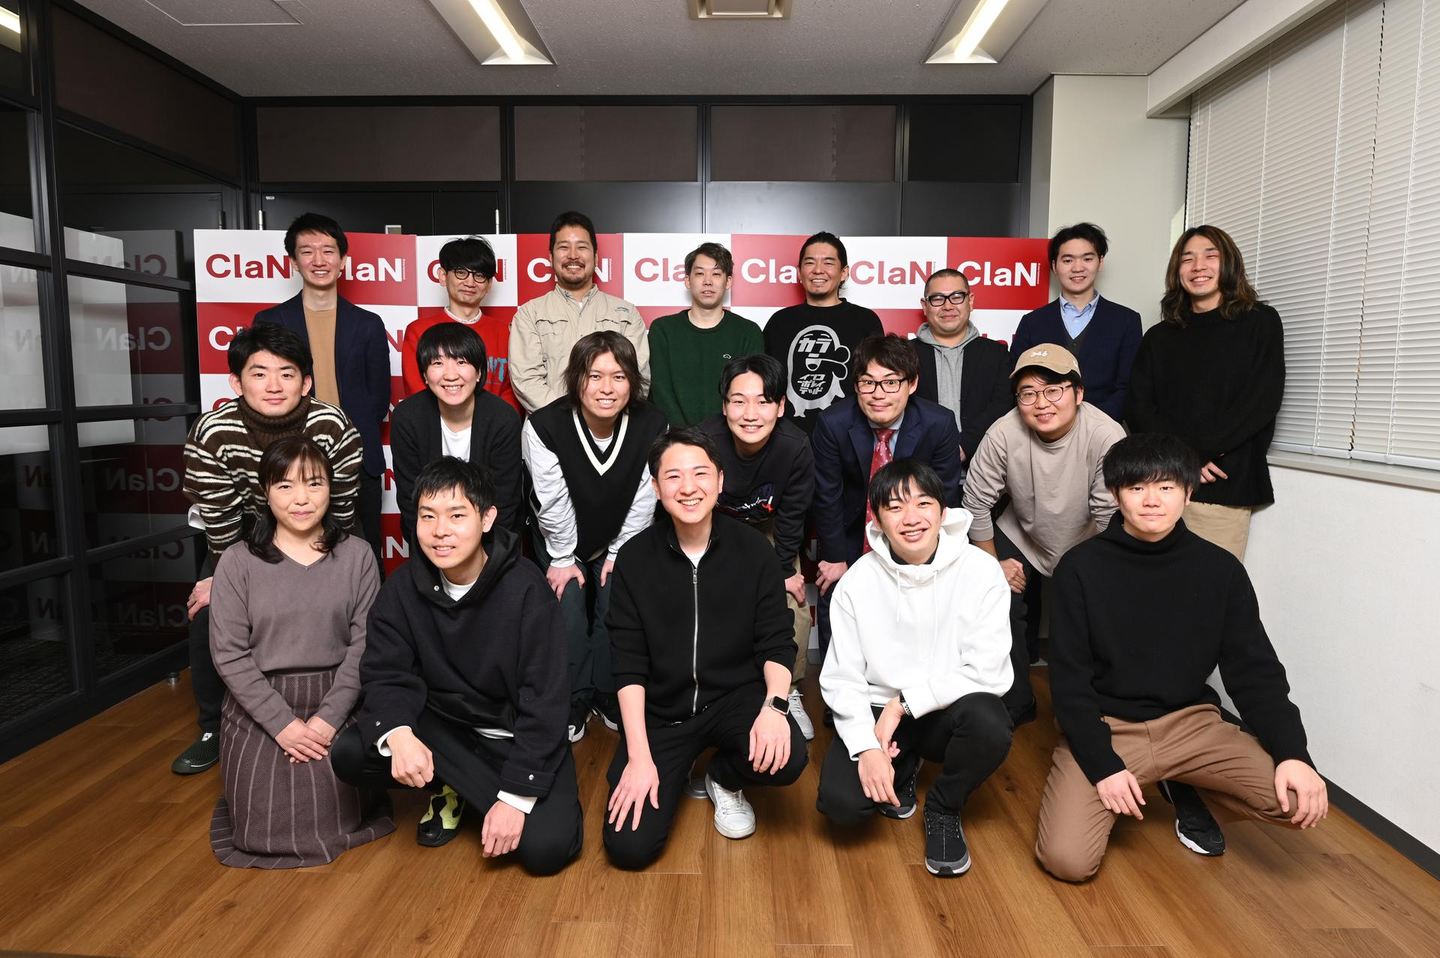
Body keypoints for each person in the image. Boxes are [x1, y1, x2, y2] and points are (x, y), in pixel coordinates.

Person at [1036, 433, 1326, 882]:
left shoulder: (1221, 570)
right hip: (1110, 726)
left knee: (1296, 800)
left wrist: (1295, 754)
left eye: (1166, 487)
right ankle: (1156, 779)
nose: (1152, 500)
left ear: (1188, 493)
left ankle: (1187, 781)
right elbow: (1069, 682)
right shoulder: (1080, 568)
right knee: (1067, 861)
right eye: (1137, 487)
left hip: (1191, 724)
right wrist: (1103, 766)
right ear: (1115, 494)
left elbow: (1255, 673)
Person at [332, 457, 582, 875]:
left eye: (456, 515)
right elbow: (386, 672)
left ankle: (470, 790)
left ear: (487, 519)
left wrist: (514, 799)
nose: (440, 530)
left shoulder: (526, 589)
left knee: (547, 849)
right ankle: (451, 787)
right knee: (352, 752)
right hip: (443, 730)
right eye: (427, 516)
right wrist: (400, 733)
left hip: (511, 737)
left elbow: (546, 700)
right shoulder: (400, 590)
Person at [603, 427, 807, 868]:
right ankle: (673, 768)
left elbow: (776, 640)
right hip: (663, 712)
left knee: (789, 754)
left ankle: (723, 777)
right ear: (656, 488)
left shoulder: (754, 550)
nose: (688, 487)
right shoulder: (634, 559)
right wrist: (639, 757)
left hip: (734, 699)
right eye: (673, 476)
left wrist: (774, 706)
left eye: (700, 473)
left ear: (720, 480)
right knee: (629, 847)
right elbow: (628, 664)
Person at [176, 323, 364, 775]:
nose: (274, 385)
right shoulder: (213, 431)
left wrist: (317, 564)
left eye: (287, 373)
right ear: (236, 382)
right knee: (209, 612)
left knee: (350, 609)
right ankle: (212, 727)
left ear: (306, 382)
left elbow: (338, 505)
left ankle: (349, 707)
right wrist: (227, 579)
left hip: (321, 526)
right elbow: (221, 519)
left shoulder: (331, 424)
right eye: (259, 374)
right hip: (241, 534)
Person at [817, 459, 1013, 877]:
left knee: (990, 721)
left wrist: (904, 703)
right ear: (877, 520)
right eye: (894, 507)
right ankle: (901, 764)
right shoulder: (857, 582)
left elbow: (990, 670)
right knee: (842, 807)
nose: (910, 518)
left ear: (943, 511)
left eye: (923, 503)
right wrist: (867, 748)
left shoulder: (981, 571)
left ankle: (943, 807)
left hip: (945, 708)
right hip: (879, 712)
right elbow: (841, 678)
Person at [208, 436, 393, 868]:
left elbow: (365, 645)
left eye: (314, 483)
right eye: (285, 485)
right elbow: (230, 655)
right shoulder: (236, 561)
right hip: (258, 704)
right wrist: (282, 725)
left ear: (331, 487)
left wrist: (327, 720)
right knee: (261, 828)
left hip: (337, 697)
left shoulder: (357, 555)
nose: (302, 499)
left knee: (326, 817)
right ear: (265, 491)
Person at [961, 343, 1125, 726]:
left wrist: (1098, 576)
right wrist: (993, 564)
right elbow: (975, 501)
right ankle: (1017, 699)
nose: (1041, 403)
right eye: (1028, 393)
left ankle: (1085, 707)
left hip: (1089, 536)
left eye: (1053, 390)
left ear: (1078, 393)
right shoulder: (1003, 432)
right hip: (1022, 529)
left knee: (1087, 615)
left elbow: (1109, 515)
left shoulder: (1107, 435)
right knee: (997, 598)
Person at [521, 331, 668, 742]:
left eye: (618, 377)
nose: (607, 388)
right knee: (567, 601)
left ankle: (607, 691)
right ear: (576, 379)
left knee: (616, 598)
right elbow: (551, 501)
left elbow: (645, 495)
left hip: (622, 532)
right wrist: (564, 557)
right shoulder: (543, 425)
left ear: (633, 381)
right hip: (559, 535)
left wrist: (620, 552)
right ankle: (574, 696)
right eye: (594, 375)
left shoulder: (653, 423)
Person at [1127, 224, 1284, 563]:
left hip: (1222, 486)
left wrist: (1199, 453)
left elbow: (1262, 400)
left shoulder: (1260, 322)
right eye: (1188, 259)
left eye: (1210, 256)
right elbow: (1139, 407)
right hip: (1160, 484)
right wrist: (1185, 458)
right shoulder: (1159, 337)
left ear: (1229, 263)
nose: (1198, 266)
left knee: (1209, 586)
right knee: (1148, 584)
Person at [254, 213, 390, 572]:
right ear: (293, 261)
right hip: (289, 460)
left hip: (357, 459)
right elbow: (264, 393)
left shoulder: (368, 324)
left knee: (364, 559)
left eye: (328, 251)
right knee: (286, 560)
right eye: (307, 251)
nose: (319, 260)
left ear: (343, 260)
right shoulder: (269, 322)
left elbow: (378, 399)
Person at [812, 334, 962, 657]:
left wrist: (922, 555)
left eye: (891, 383)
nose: (878, 395)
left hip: (915, 531)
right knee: (835, 596)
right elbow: (827, 495)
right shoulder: (833, 423)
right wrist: (836, 557)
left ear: (912, 384)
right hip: (852, 533)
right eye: (868, 383)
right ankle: (837, 685)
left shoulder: (938, 423)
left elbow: (945, 495)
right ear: (856, 385)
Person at [700, 354, 817, 739]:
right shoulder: (705, 441)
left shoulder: (795, 446)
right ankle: (712, 691)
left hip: (770, 527)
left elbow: (794, 514)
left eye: (763, 401)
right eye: (739, 401)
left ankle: (789, 690)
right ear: (724, 406)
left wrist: (782, 571)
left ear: (781, 406)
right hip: (712, 526)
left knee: (791, 602)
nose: (750, 414)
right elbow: (691, 507)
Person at [390, 323, 522, 547]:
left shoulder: (503, 418)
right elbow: (410, 498)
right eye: (438, 363)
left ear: (479, 372)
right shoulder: (408, 417)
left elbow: (504, 502)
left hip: (492, 539)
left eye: (461, 362)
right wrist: (438, 546)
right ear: (424, 374)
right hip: (429, 540)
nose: (451, 375)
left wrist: (476, 554)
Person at [509, 211, 649, 413]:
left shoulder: (627, 314)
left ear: (596, 257)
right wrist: (569, 419)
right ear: (551, 257)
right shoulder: (529, 314)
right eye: (564, 247)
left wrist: (602, 416)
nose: (573, 255)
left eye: (582, 247)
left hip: (611, 425)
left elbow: (637, 377)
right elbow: (526, 380)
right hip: (552, 427)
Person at [1009, 223, 1142, 423]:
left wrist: (1092, 426)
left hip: (1103, 430)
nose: (1078, 268)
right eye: (1068, 260)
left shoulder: (1126, 321)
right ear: (1054, 266)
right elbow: (1018, 384)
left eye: (1087, 259)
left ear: (1100, 262)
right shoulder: (1032, 322)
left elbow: (1127, 388)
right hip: (1043, 430)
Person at [763, 231, 883, 434]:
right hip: (788, 437)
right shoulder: (779, 322)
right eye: (810, 262)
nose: (818, 270)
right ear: (799, 272)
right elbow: (765, 383)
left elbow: (877, 383)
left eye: (828, 263)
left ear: (844, 272)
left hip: (849, 436)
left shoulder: (866, 321)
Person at [910, 268, 1014, 478]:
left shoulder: (997, 354)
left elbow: (1003, 405)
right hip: (919, 474)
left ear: (970, 301)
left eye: (957, 297)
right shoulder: (904, 354)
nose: (948, 306)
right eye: (937, 298)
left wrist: (965, 445)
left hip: (985, 474)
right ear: (925, 305)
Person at [647, 242, 764, 426]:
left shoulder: (748, 332)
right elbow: (661, 392)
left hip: (731, 436)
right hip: (676, 438)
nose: (708, 281)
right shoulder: (662, 330)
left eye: (716, 274)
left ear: (728, 281)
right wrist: (686, 438)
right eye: (700, 273)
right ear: (687, 280)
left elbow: (750, 394)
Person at [401, 235, 521, 414]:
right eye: (461, 272)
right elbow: (418, 393)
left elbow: (512, 392)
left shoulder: (506, 332)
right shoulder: (419, 331)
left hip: (493, 428)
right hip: (436, 427)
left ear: (489, 284)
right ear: (443, 276)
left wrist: (495, 425)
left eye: (479, 275)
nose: (470, 282)